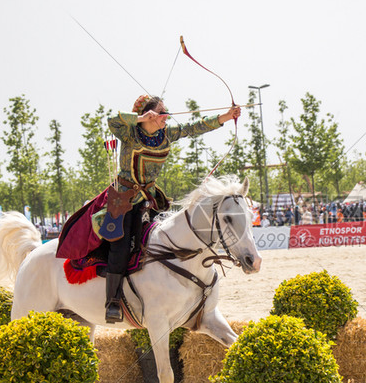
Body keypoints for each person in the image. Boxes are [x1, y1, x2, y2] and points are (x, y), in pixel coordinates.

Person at [57, 94, 241, 323]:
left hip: (150, 199)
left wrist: (226, 115)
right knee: (120, 247)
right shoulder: (130, 132)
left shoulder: (167, 134)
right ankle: (113, 302)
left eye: (165, 112)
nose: (165, 117)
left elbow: (195, 128)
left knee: (169, 240)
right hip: (122, 199)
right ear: (148, 115)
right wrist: (139, 118)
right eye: (160, 112)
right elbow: (112, 121)